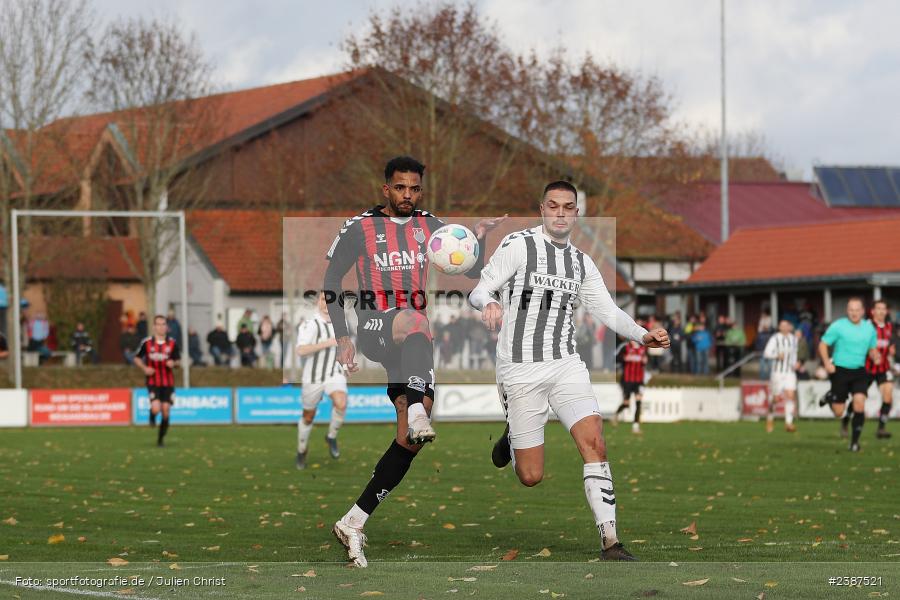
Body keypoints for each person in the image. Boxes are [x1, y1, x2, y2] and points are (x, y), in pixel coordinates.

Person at [469, 180, 670, 562]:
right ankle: (512, 439)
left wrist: (642, 335)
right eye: (553, 206)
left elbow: (607, 310)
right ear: (542, 209)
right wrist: (489, 304)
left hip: (566, 365)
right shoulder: (518, 245)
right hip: (520, 369)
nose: (560, 213)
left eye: (567, 207)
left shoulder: (581, 262)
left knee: (595, 441)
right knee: (530, 476)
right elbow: (479, 290)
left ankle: (611, 541)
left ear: (577, 213)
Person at [324, 156, 505, 568]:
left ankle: (353, 521)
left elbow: (470, 269)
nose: (408, 195)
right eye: (400, 187)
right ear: (386, 188)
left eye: (415, 188)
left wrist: (476, 239)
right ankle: (420, 411)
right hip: (376, 326)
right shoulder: (359, 228)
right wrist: (342, 337)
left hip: (413, 345)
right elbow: (332, 281)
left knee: (409, 438)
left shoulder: (431, 226)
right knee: (416, 319)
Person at [817, 298, 879, 452]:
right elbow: (823, 344)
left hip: (859, 371)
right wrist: (827, 363)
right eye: (851, 310)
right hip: (840, 371)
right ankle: (830, 396)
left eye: (857, 310)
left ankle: (854, 443)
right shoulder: (838, 326)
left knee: (859, 403)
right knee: (839, 412)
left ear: (862, 311)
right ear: (847, 311)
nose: (854, 313)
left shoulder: (869, 328)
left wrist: (875, 355)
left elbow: (872, 348)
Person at [295, 292, 348, 469]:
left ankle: (331, 436)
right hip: (313, 377)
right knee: (308, 416)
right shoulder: (310, 324)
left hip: (334, 373)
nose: (327, 303)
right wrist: (327, 343)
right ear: (318, 302)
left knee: (341, 403)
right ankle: (302, 450)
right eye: (324, 299)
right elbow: (301, 350)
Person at [133, 315, 180, 447]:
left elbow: (178, 361)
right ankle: (152, 415)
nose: (161, 327)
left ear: (167, 327)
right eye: (158, 324)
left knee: (165, 411)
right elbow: (136, 358)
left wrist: (174, 363)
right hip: (153, 381)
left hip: (168, 382)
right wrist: (145, 368)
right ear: (154, 327)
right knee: (156, 408)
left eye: (163, 324)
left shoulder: (172, 343)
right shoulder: (147, 343)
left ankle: (160, 439)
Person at [850, 300, 894, 439]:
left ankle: (881, 428)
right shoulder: (866, 326)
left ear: (886, 311)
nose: (881, 311)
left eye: (883, 309)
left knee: (888, 395)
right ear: (873, 311)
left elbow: (889, 345)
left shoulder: (889, 327)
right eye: (878, 308)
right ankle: (845, 421)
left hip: (882, 369)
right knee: (858, 398)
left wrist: (891, 350)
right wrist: (871, 353)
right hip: (866, 370)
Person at [763, 320, 799, 433]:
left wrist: (796, 364)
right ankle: (770, 418)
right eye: (782, 326)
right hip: (777, 372)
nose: (784, 327)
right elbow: (766, 353)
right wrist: (777, 355)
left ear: (789, 327)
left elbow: (795, 354)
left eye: (786, 325)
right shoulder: (775, 338)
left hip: (790, 372)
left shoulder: (793, 339)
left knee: (790, 395)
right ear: (779, 327)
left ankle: (788, 423)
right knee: (776, 398)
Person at [614, 338, 647, 434]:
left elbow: (645, 360)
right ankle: (616, 414)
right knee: (626, 403)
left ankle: (635, 427)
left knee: (638, 402)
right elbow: (616, 358)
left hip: (639, 380)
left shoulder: (643, 349)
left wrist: (645, 361)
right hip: (627, 380)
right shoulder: (625, 347)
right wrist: (624, 358)